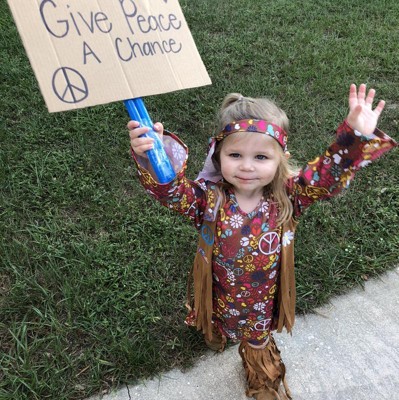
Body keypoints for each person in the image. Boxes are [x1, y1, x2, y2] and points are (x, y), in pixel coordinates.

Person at [128, 84, 397, 400]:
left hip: (259, 304)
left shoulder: (289, 198)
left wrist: (354, 136)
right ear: (218, 153)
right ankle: (216, 333)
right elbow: (172, 192)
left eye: (260, 156)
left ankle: (263, 384)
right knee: (215, 323)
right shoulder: (206, 201)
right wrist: (153, 156)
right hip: (219, 293)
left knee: (257, 344)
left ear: (280, 158)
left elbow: (327, 175)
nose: (246, 166)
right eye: (235, 155)